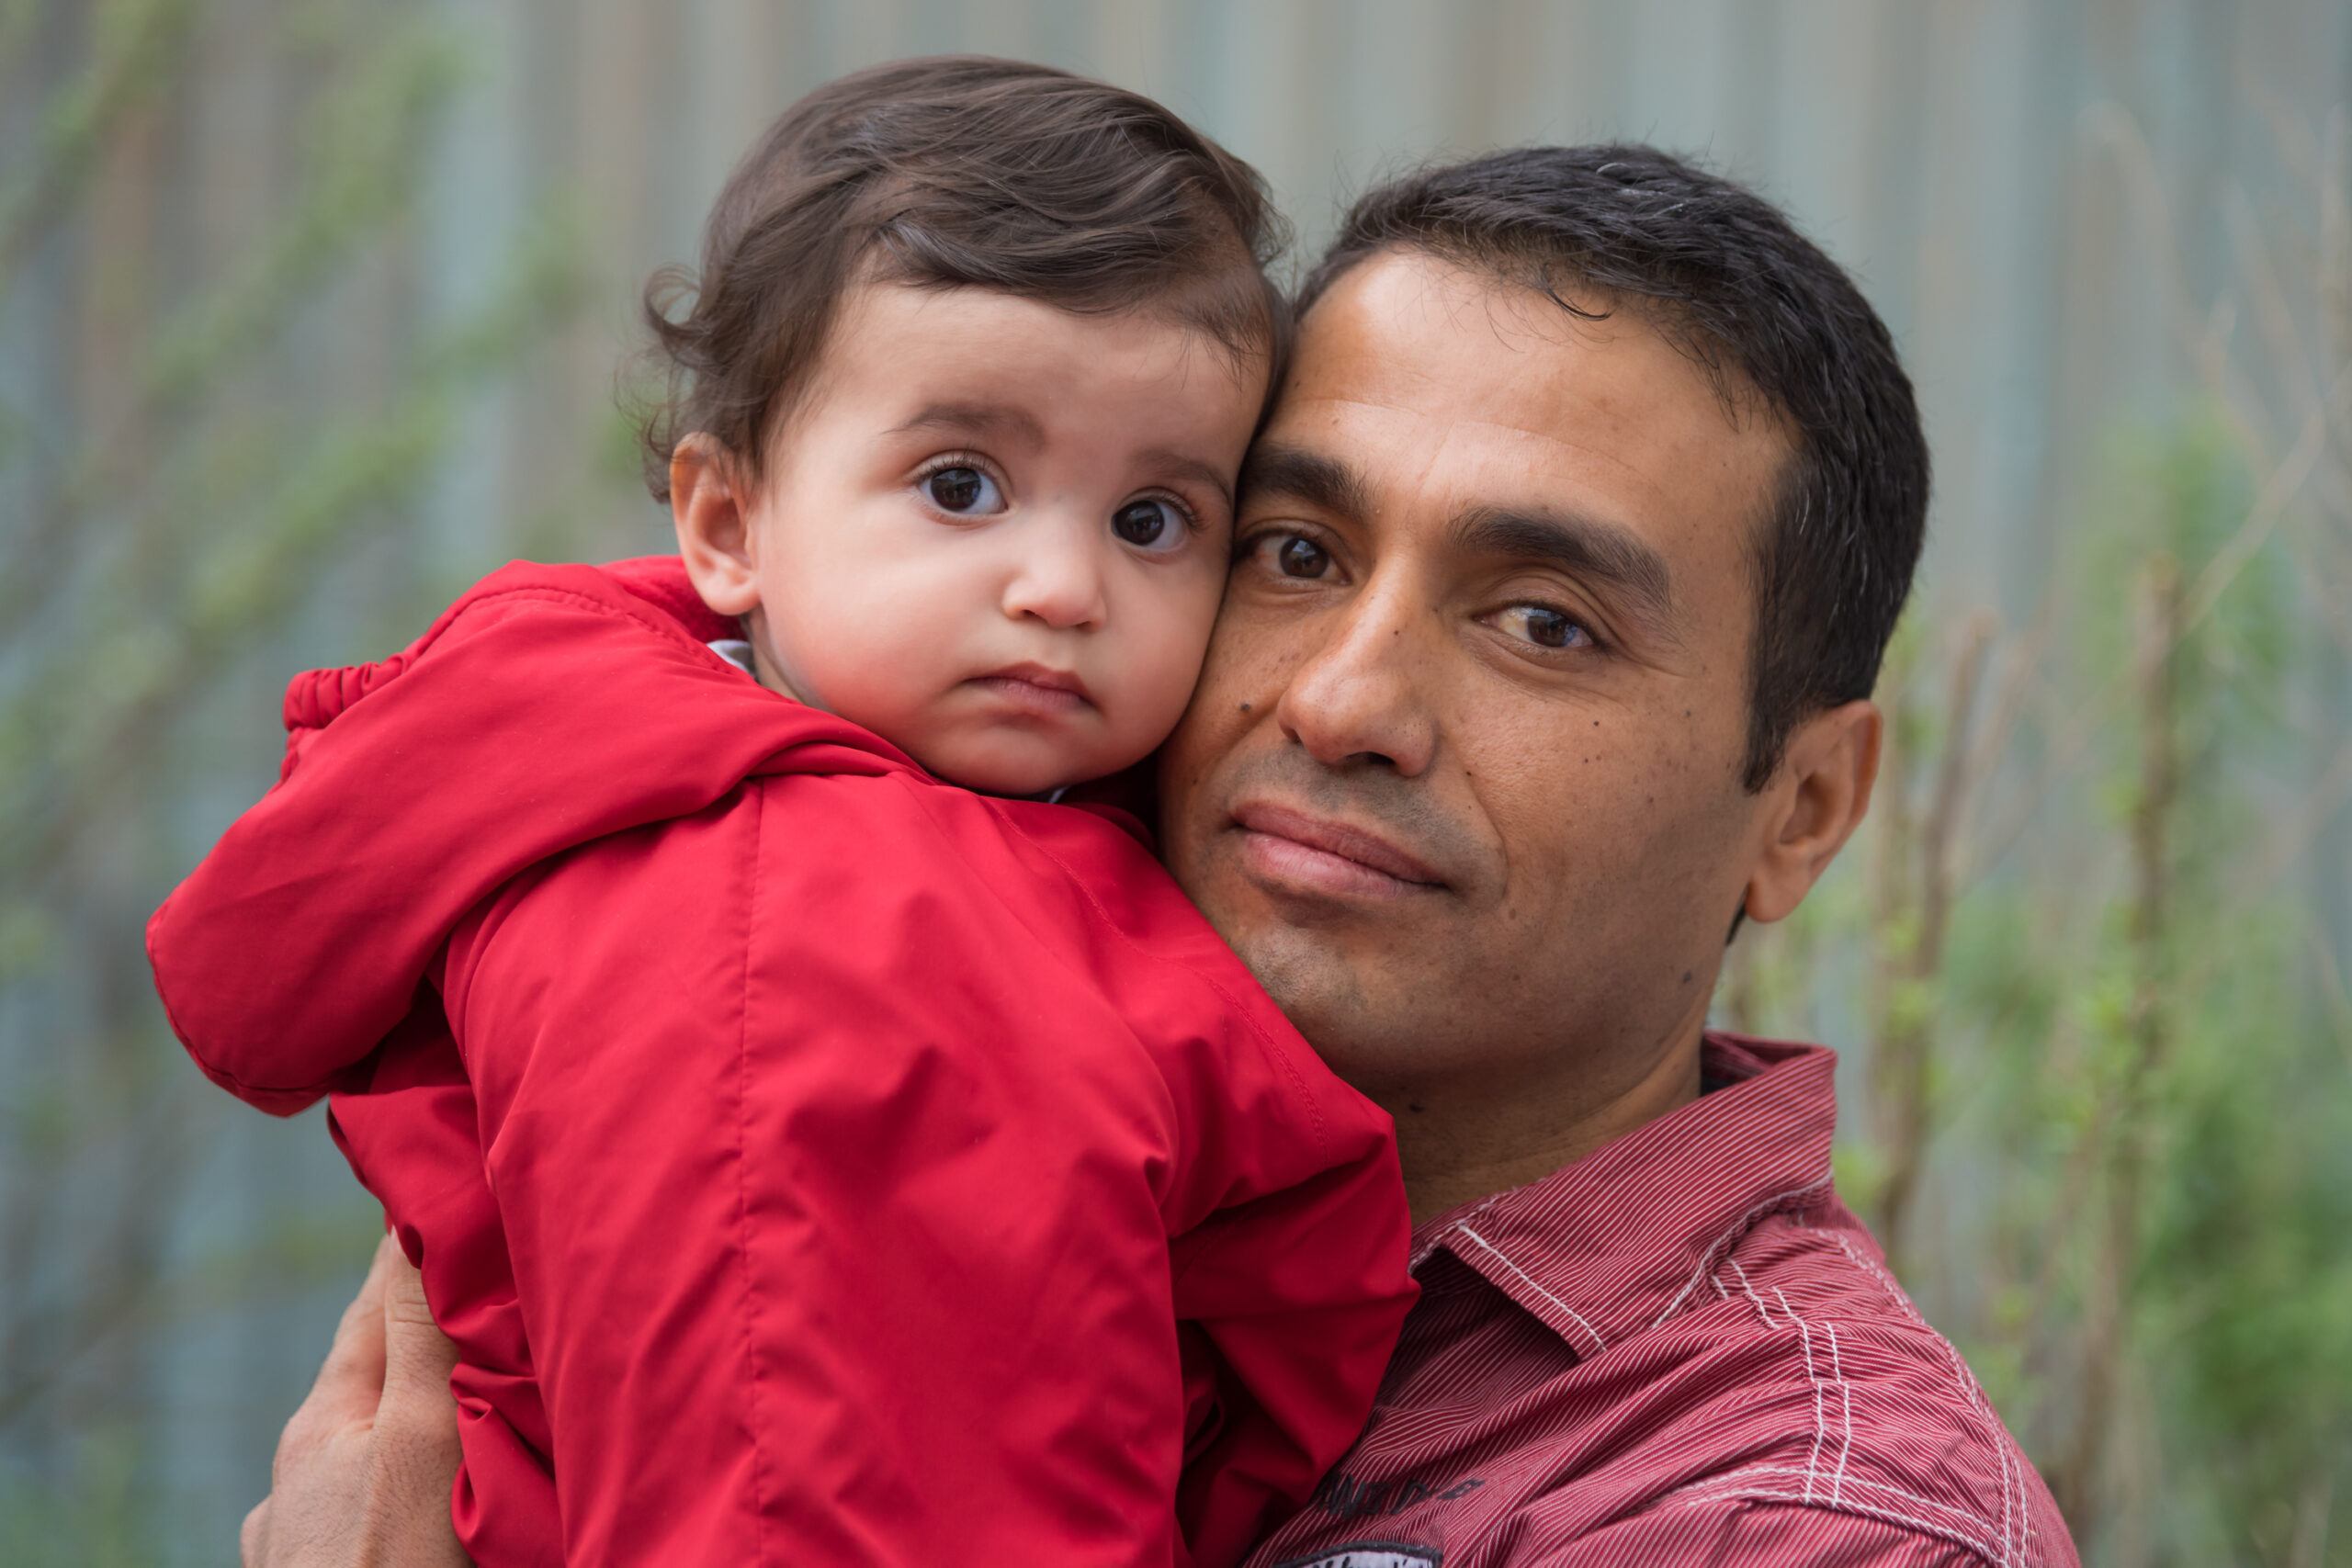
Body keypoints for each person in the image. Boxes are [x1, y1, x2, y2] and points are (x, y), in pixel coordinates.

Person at [236, 141, 2084, 1566]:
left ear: (1804, 807)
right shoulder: (898, 1067)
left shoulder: (1789, 1510)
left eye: (1540, 621)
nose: (1346, 699)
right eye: (1289, 551)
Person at [150, 58, 1419, 1568]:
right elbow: (806, 1496)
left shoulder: (890, 824)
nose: (1064, 587)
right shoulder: (822, 916)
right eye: (961, 484)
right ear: (729, 525)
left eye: (1154, 519)